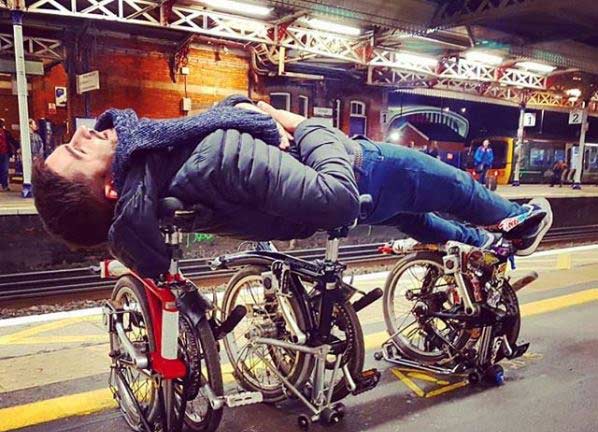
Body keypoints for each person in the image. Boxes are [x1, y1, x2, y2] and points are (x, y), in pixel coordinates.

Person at [32, 96, 552, 278]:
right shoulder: (201, 158)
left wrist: (243, 117)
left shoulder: (163, 184)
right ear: (109, 191)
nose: (82, 131)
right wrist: (302, 125)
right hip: (363, 172)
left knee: (414, 219)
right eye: (79, 151)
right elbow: (336, 198)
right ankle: (512, 220)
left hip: (348, 201)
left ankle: (485, 245)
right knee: (456, 187)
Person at [0, 118, 19, 192]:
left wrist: (18, 147)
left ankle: (5, 185)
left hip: (5, 153)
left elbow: (12, 140)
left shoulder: (6, 132)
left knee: (5, 169)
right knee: (4, 169)